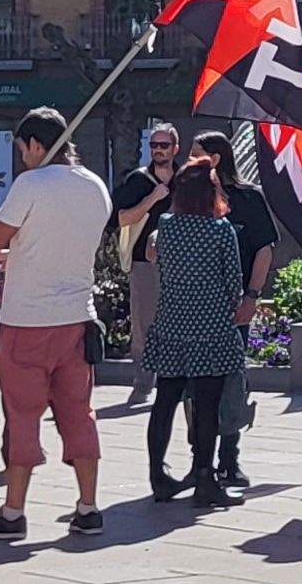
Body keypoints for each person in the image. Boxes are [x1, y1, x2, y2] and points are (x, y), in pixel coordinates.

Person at [0, 106, 110, 540]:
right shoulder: (96, 186)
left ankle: (14, 512)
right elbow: (51, 245)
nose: (23, 159)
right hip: (77, 320)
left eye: (22, 150)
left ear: (34, 144)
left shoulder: (30, 184)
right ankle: (88, 506)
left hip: (27, 322)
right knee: (78, 414)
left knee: (22, 415)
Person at [139, 160, 248, 509]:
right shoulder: (220, 230)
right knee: (206, 404)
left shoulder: (166, 226)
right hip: (211, 326)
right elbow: (234, 282)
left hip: (172, 324)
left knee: (165, 401)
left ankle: (158, 475)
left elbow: (157, 261)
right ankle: (204, 477)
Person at [189, 129, 278, 479]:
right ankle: (201, 459)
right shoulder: (188, 198)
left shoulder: (248, 198)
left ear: (215, 159)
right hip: (194, 309)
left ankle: (229, 457)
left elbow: (264, 249)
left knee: (231, 382)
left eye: (195, 154)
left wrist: (252, 296)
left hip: (234, 307)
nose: (189, 161)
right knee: (194, 386)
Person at [110, 120, 183, 407]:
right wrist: (152, 198)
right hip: (145, 262)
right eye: (154, 145)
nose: (158, 151)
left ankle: (175, 380)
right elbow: (120, 219)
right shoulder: (138, 181)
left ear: (175, 148)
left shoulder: (186, 179)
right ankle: (142, 383)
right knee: (144, 324)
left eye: (164, 145)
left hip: (182, 263)